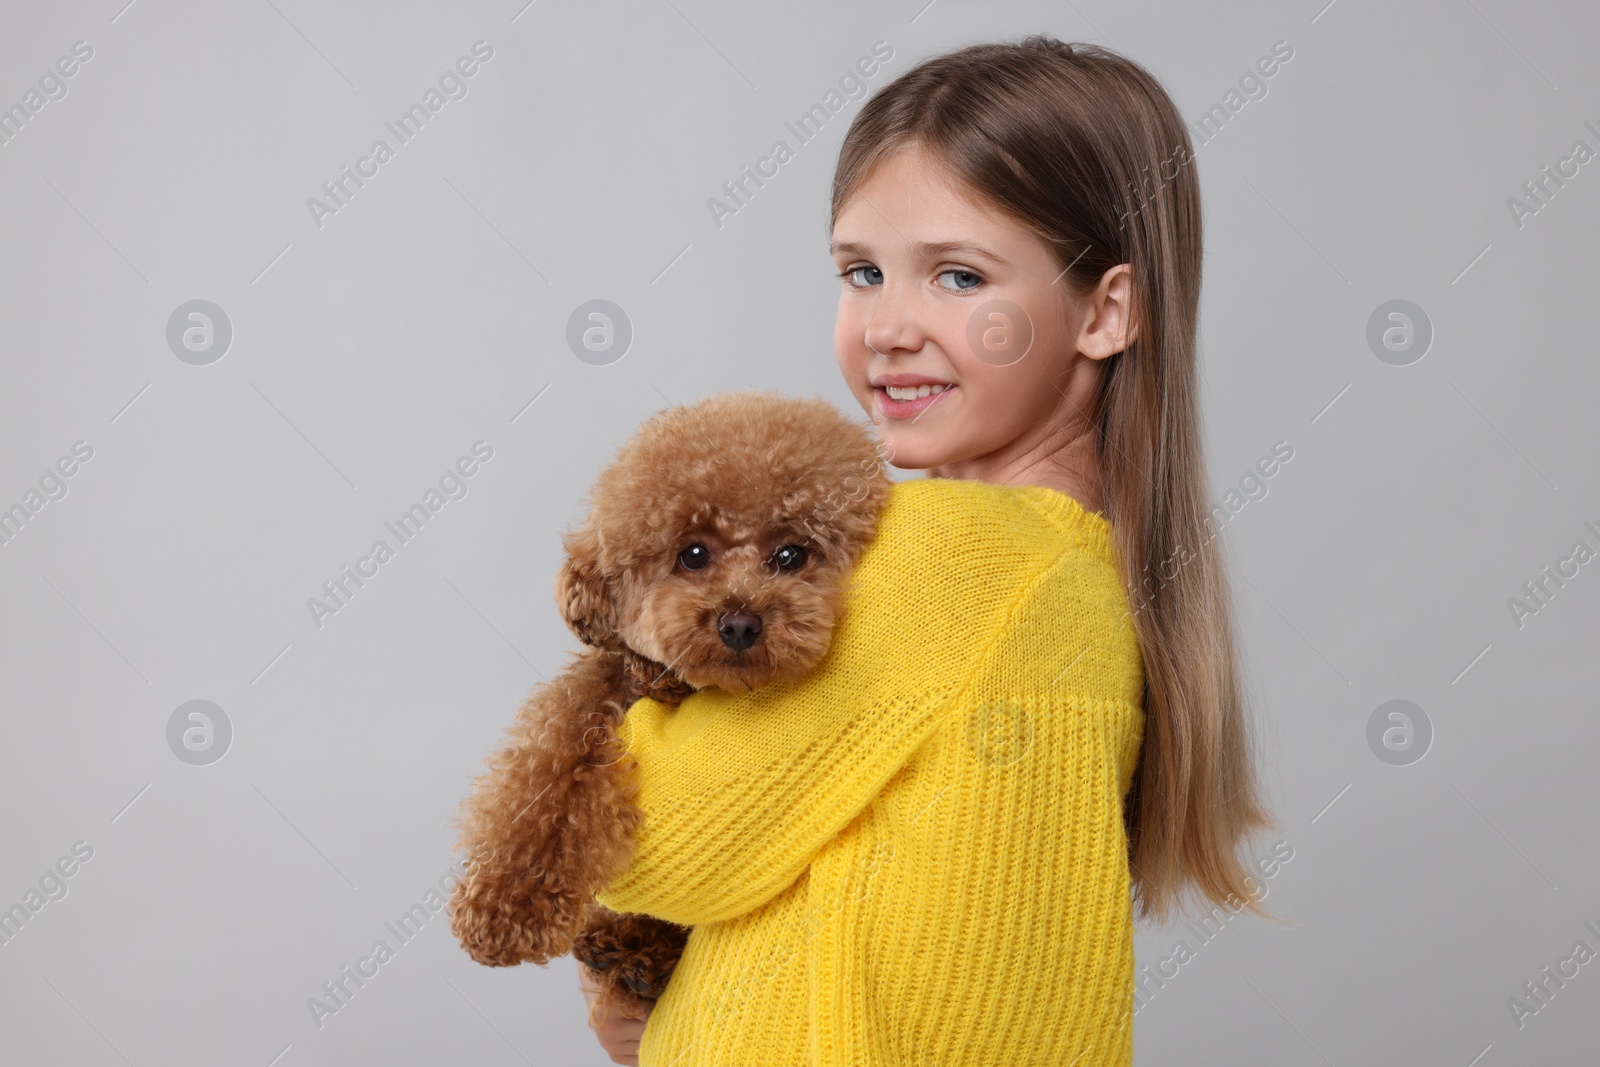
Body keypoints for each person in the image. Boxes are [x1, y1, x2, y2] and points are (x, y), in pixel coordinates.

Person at [583, 35, 1279, 1066]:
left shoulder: (960, 556)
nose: (887, 327)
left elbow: (647, 834)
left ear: (1104, 310)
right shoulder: (1077, 574)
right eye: (861, 271)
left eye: (957, 276)